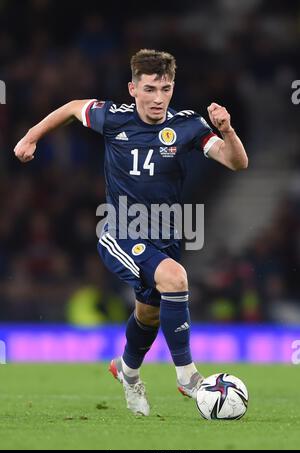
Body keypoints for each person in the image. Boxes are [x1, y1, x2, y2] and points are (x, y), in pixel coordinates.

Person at [14, 49, 248, 416]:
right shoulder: (113, 117)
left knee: (149, 316)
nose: (158, 98)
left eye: (166, 89)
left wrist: (227, 130)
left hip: (166, 235)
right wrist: (32, 136)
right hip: (119, 230)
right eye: (150, 88)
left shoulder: (188, 125)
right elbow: (74, 107)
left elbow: (237, 162)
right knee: (175, 278)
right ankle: (188, 376)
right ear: (133, 88)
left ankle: (127, 371)